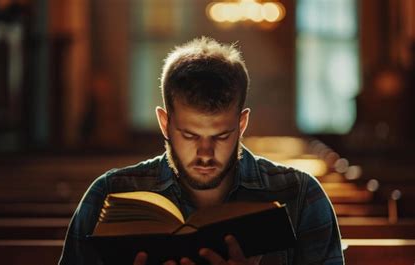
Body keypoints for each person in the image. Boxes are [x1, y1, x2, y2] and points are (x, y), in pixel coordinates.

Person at [58, 37, 344, 265]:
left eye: (221, 135)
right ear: (165, 123)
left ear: (242, 123)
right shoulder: (109, 195)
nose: (205, 153)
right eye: (189, 135)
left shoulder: (301, 195)